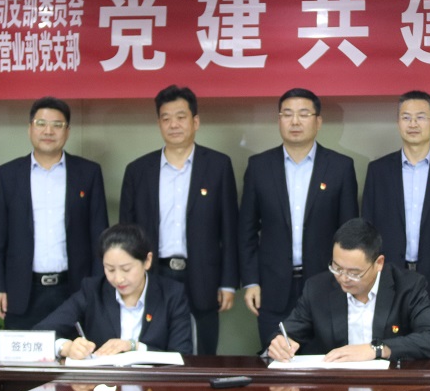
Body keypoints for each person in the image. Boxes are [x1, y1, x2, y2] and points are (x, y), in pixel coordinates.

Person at [119, 85, 239, 354]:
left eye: (181, 117)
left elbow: (230, 229)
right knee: (152, 350)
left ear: (195, 122)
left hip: (203, 276)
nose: (174, 124)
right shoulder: (138, 171)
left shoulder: (218, 166)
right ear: (159, 123)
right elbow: (127, 235)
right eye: (166, 118)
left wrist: (228, 282)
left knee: (203, 353)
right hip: (153, 276)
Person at [239, 88, 358, 347]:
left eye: (304, 114)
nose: (295, 121)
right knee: (277, 360)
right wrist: (251, 281)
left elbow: (349, 232)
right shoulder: (259, 166)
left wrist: (346, 280)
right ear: (279, 120)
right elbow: (246, 230)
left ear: (318, 121)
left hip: (328, 286)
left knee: (325, 363)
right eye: (287, 114)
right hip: (272, 289)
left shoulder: (340, 167)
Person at [0, 97, 109, 331]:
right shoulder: (8, 175)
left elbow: (99, 237)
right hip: (22, 293)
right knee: (25, 354)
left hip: (73, 290)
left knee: (74, 354)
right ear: (30, 128)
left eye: (57, 125)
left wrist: (96, 289)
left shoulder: (88, 173)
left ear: (68, 131)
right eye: (41, 123)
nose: (48, 131)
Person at [361, 90, 430, 334]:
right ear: (398, 123)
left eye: (421, 117)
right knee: (389, 353)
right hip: (388, 283)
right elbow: (366, 232)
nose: (413, 124)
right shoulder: (378, 171)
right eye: (406, 117)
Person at [266, 218, 430, 362]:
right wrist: (279, 344)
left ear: (379, 263)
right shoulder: (317, 288)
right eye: (337, 268)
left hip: (391, 386)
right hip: (335, 387)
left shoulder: (408, 286)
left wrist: (377, 349)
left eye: (354, 273)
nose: (343, 278)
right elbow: (286, 334)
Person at [36, 223, 192, 358]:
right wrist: (65, 347)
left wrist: (134, 347)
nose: (118, 279)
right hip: (103, 382)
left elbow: (182, 355)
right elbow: (40, 334)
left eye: (126, 269)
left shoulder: (172, 294)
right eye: (110, 269)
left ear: (147, 261)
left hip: (154, 382)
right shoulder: (92, 291)